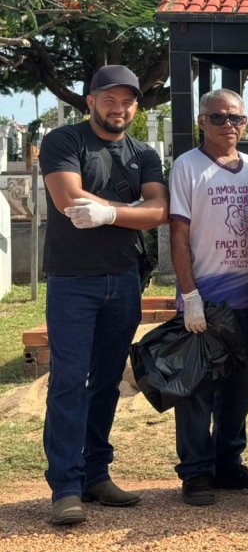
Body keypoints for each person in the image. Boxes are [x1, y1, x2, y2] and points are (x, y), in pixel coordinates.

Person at [40, 65, 169, 526]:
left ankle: (96, 473)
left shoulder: (144, 154)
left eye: (128, 101)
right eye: (110, 99)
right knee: (70, 380)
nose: (120, 108)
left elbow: (158, 211)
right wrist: (129, 210)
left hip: (124, 279)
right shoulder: (64, 141)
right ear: (90, 100)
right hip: (73, 280)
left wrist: (110, 213)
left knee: (107, 381)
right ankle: (65, 486)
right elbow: (71, 204)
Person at [168, 89, 248, 507]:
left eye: (237, 119)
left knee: (242, 388)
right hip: (206, 299)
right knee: (196, 390)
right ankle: (196, 471)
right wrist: (189, 295)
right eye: (220, 118)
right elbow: (178, 234)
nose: (229, 126)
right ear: (202, 122)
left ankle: (228, 461)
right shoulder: (186, 168)